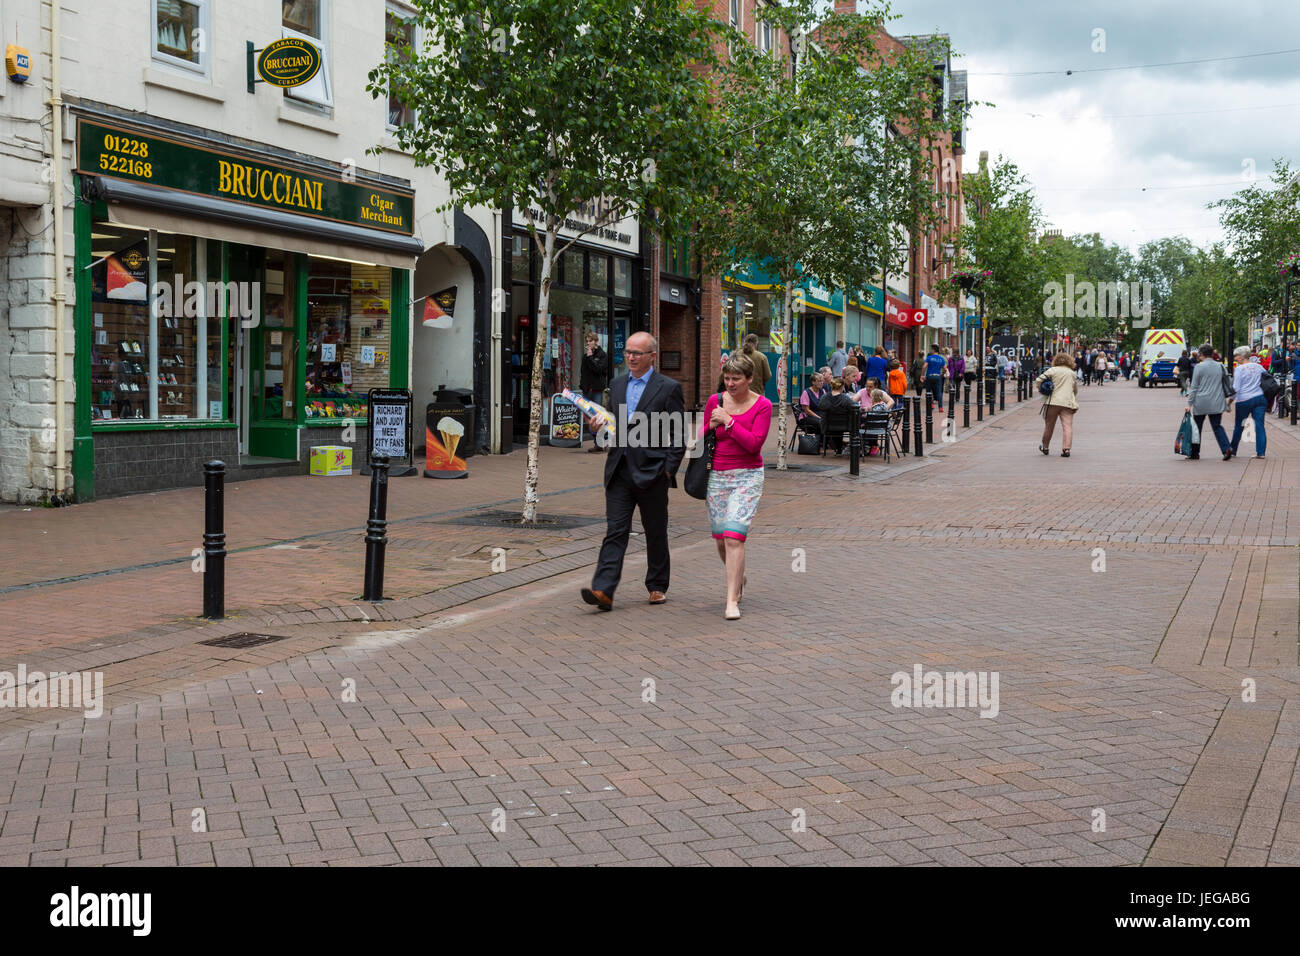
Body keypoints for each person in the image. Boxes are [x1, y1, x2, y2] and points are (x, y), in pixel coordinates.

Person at [581, 332, 685, 611]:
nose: (631, 357)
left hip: (653, 472)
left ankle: (657, 585)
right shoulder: (616, 385)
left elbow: (678, 435)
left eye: (637, 353)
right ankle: (603, 590)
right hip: (619, 471)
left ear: (652, 356)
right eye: (628, 352)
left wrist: (668, 471)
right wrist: (598, 427)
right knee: (616, 530)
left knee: (655, 531)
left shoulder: (668, 387)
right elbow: (614, 423)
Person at [698, 353, 773, 621]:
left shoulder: (763, 406)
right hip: (717, 475)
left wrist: (729, 422)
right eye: (727, 378)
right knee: (720, 539)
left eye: (736, 379)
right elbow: (700, 437)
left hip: (748, 476)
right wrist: (711, 424)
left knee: (734, 536)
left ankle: (731, 600)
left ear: (749, 379)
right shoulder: (715, 402)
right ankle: (738, 574)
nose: (730, 384)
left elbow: (754, 444)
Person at [1184, 343, 1233, 461]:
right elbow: (1227, 383)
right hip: (1217, 400)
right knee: (1217, 426)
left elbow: (1194, 387)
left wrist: (1189, 404)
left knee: (1197, 428)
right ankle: (1226, 448)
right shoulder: (1220, 366)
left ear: (1201, 354)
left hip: (1201, 402)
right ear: (1212, 354)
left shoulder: (1199, 367)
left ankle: (1194, 453)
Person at [1034, 353, 1079, 457]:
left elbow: (1038, 380)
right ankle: (1066, 449)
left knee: (1049, 426)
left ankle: (1045, 447)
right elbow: (1075, 390)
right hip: (1067, 403)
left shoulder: (1052, 370)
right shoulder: (1072, 373)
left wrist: (1042, 389)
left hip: (1053, 402)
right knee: (1067, 426)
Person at [1229, 345, 1267, 459]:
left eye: (1236, 356)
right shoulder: (1259, 367)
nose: (1235, 358)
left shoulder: (1239, 369)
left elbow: (1236, 388)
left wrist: (1230, 401)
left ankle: (1233, 450)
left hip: (1244, 400)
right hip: (1259, 397)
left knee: (1239, 426)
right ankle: (1261, 452)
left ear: (1241, 357)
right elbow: (1268, 379)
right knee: (1260, 425)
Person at [580, 331, 609, 453]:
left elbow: (599, 369)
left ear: (596, 342)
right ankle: (597, 442)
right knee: (588, 417)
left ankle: (602, 441)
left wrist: (591, 357)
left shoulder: (602, 355)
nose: (588, 343)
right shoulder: (586, 356)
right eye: (586, 341)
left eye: (590, 341)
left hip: (597, 390)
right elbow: (583, 371)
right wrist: (582, 385)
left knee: (598, 417)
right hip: (587, 390)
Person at [818, 377, 857, 455]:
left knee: (835, 427)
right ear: (842, 387)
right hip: (845, 425)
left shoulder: (824, 398)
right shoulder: (845, 398)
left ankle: (836, 447)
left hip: (828, 425)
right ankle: (841, 447)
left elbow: (820, 407)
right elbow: (855, 407)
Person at [796, 372, 824, 437]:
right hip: (807, 417)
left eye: (822, 381)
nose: (821, 383)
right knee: (821, 423)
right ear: (813, 382)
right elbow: (807, 411)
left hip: (819, 416)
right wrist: (818, 417)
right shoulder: (806, 393)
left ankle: (832, 443)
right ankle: (821, 443)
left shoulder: (823, 391)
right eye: (819, 381)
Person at [924, 344, 946, 411]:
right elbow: (945, 369)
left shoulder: (929, 358)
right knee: (939, 392)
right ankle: (940, 407)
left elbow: (924, 366)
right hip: (937, 376)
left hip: (929, 376)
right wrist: (942, 374)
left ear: (933, 350)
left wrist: (922, 375)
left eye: (931, 349)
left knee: (928, 391)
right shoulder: (941, 358)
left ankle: (931, 404)